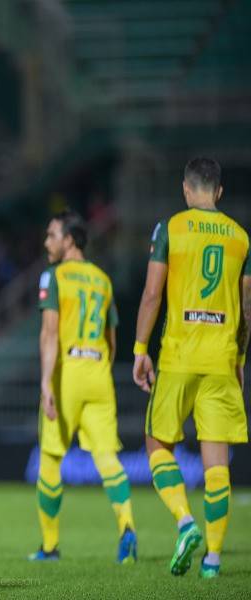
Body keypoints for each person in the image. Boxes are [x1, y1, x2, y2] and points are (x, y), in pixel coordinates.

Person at [133, 157, 250, 578]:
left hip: (180, 355)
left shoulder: (171, 228)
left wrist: (139, 349)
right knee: (217, 462)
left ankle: (185, 522)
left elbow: (151, 294)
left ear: (186, 189)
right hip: (221, 360)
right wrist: (239, 359)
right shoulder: (241, 237)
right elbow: (248, 310)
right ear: (219, 192)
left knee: (155, 443)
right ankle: (214, 562)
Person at [33, 210, 137, 563]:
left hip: (69, 372)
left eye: (52, 235)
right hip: (99, 371)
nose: (47, 242)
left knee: (50, 458)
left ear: (69, 240)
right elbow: (112, 337)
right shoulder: (103, 280)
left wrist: (47, 382)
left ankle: (49, 546)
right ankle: (127, 525)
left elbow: (49, 333)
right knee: (107, 457)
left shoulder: (54, 275)